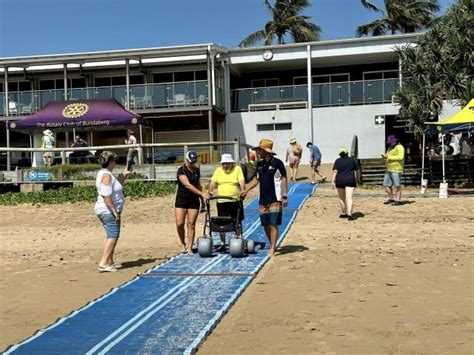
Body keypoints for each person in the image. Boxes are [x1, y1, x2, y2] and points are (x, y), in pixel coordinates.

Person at [242, 139, 288, 257]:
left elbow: (284, 178)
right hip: (263, 199)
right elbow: (257, 180)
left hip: (275, 198)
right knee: (265, 224)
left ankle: (272, 247)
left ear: (266, 151)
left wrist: (284, 196)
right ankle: (273, 243)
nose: (259, 152)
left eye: (260, 150)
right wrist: (246, 190)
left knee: (273, 224)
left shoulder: (277, 163)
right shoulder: (259, 164)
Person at [95, 151, 131, 272]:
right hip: (107, 210)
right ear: (110, 162)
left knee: (112, 234)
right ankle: (104, 262)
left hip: (106, 209)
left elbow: (116, 186)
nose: (115, 163)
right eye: (114, 161)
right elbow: (106, 195)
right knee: (113, 236)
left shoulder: (106, 174)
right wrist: (114, 211)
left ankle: (110, 261)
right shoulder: (107, 175)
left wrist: (124, 175)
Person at [208, 153, 245, 251]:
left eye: (227, 163)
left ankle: (238, 239)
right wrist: (210, 191)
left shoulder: (237, 169)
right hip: (222, 201)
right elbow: (213, 182)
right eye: (223, 164)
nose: (225, 166)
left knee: (236, 221)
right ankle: (222, 243)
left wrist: (243, 190)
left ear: (231, 163)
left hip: (234, 200)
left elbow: (241, 181)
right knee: (222, 223)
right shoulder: (218, 171)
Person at [175, 151, 209, 256]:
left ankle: (190, 247)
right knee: (179, 223)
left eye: (194, 161)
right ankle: (182, 242)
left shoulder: (197, 170)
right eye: (190, 161)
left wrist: (202, 201)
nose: (192, 163)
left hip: (193, 201)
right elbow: (187, 185)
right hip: (182, 199)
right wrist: (202, 194)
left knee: (191, 224)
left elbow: (198, 185)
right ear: (186, 160)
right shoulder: (181, 171)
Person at [331, 148, 360, 221]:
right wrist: (358, 179)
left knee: (341, 198)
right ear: (347, 153)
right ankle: (349, 214)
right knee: (349, 198)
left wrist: (333, 181)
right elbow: (357, 170)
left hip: (340, 180)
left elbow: (335, 172)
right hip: (350, 180)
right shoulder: (352, 160)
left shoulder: (337, 161)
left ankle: (344, 213)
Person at [382, 135, 405, 206]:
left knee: (397, 185)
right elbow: (387, 156)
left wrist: (389, 157)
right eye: (389, 142)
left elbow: (401, 157)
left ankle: (398, 200)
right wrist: (385, 157)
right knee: (386, 185)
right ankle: (391, 198)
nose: (390, 143)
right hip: (389, 169)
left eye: (391, 142)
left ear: (395, 141)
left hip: (397, 169)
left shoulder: (400, 147)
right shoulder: (389, 148)